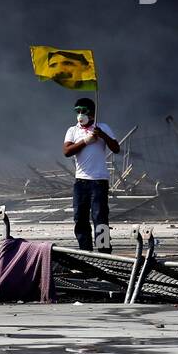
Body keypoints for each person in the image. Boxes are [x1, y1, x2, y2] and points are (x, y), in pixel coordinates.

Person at [62, 98, 120, 252]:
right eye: (78, 111)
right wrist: (86, 141)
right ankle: (85, 251)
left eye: (84, 111)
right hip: (81, 182)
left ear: (93, 114)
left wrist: (102, 136)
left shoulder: (102, 127)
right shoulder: (73, 130)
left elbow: (116, 148)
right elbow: (67, 151)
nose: (80, 115)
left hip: (99, 181)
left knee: (100, 218)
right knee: (80, 219)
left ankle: (104, 251)